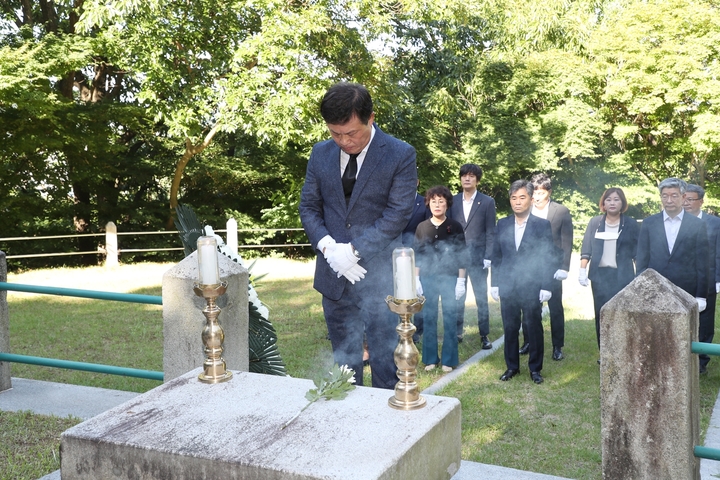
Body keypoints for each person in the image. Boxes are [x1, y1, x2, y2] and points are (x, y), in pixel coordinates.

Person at [299, 82, 417, 389]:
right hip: (333, 278)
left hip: (378, 278)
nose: (343, 141)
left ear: (371, 118)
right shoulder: (320, 154)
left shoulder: (400, 154)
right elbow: (309, 207)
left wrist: (352, 252)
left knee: (385, 364)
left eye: (351, 133)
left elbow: (397, 213)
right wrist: (328, 248)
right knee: (344, 365)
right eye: (335, 133)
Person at [491, 179, 555, 385]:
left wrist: (546, 285)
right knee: (510, 327)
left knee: (533, 326)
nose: (517, 202)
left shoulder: (542, 225)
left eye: (522, 197)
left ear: (530, 199)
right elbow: (497, 256)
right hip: (508, 284)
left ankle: (535, 369)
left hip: (532, 284)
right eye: (513, 198)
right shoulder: (502, 224)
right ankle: (512, 366)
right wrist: (494, 283)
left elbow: (547, 257)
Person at [636, 177, 709, 316]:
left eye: (674, 196)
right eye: (665, 196)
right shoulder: (649, 223)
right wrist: (640, 287)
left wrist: (701, 296)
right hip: (654, 287)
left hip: (686, 289)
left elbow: (702, 262)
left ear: (683, 197)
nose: (669, 200)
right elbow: (642, 258)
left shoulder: (697, 225)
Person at [578, 188, 640, 350]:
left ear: (623, 203)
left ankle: (623, 349)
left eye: (616, 199)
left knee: (623, 314)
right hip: (600, 278)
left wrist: (640, 275)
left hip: (623, 278)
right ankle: (604, 352)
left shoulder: (631, 224)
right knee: (602, 314)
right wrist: (582, 271)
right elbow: (586, 250)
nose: (612, 203)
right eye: (609, 200)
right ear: (603, 203)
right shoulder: (595, 222)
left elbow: (637, 254)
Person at [414, 186, 467, 372]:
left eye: (441, 201)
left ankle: (449, 360)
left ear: (447, 204)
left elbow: (462, 255)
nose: (437, 205)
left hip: (450, 278)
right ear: (428, 203)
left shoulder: (455, 226)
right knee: (428, 317)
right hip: (427, 278)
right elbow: (418, 255)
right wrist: (416, 279)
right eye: (434, 201)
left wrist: (461, 281)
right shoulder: (422, 227)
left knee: (450, 317)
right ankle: (430, 359)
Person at [522, 173, 572, 361]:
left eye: (541, 192)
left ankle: (557, 345)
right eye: (534, 192)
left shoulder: (560, 211)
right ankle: (528, 341)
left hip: (552, 266)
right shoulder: (526, 210)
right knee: (528, 306)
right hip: (530, 267)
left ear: (549, 192)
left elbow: (567, 240)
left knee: (555, 307)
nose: (536, 196)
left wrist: (564, 267)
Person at [449, 163, 496, 350]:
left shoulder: (487, 202)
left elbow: (491, 231)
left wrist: (488, 256)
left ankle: (484, 334)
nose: (467, 178)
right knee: (457, 296)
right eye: (464, 175)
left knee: (481, 298)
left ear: (477, 179)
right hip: (457, 259)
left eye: (471, 176)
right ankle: (458, 332)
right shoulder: (452, 201)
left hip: (478, 259)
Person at [683, 184, 720, 374]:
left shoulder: (714, 223)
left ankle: (701, 362)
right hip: (681, 279)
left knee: (704, 322)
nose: (686, 202)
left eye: (690, 199)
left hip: (707, 279)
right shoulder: (676, 221)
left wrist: (718, 279)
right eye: (684, 198)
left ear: (701, 201)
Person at [403, 180, 431, 344]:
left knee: (418, 293)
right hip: (397, 254)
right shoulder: (396, 201)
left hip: (418, 254)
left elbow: (427, 229)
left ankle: (418, 330)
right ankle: (402, 324)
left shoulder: (424, 203)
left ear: (418, 182)